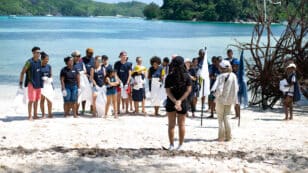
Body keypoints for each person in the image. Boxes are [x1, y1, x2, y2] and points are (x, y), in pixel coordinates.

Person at [165, 56, 192, 150]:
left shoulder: (169, 76)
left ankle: (171, 145)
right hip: (183, 101)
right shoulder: (187, 76)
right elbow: (188, 91)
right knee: (182, 124)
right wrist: (180, 101)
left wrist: (175, 101)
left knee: (171, 124)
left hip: (171, 101)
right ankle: (180, 145)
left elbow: (168, 91)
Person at [211, 60, 238, 142]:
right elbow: (236, 88)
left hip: (221, 100)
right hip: (230, 100)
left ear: (221, 68)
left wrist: (214, 96)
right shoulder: (233, 75)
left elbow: (219, 89)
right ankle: (228, 136)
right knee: (227, 117)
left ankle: (221, 137)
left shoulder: (221, 76)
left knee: (220, 119)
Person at [19, 46, 43, 120]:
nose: (39, 54)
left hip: (38, 84)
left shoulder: (40, 61)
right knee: (31, 100)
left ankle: (35, 115)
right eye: (37, 52)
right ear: (33, 53)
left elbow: (39, 72)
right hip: (31, 83)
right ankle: (30, 116)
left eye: (39, 52)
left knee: (36, 100)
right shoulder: (28, 62)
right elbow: (22, 72)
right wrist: (21, 82)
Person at [72, 50, 86, 115]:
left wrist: (81, 72)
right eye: (77, 56)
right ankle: (73, 110)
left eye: (79, 56)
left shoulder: (81, 63)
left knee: (79, 97)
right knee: (74, 97)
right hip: (73, 82)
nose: (78, 57)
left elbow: (85, 71)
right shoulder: (71, 63)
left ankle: (76, 111)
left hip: (81, 82)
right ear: (73, 56)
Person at [81, 48, 95, 114]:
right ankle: (83, 109)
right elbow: (80, 69)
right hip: (84, 79)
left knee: (92, 95)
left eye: (92, 53)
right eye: (90, 53)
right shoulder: (82, 60)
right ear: (86, 53)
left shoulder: (93, 59)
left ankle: (91, 109)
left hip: (92, 80)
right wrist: (86, 75)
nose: (91, 54)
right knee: (84, 95)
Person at [40, 52, 53, 118]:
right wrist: (41, 78)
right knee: (42, 100)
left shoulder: (49, 66)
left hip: (48, 84)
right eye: (46, 59)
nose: (47, 60)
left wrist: (50, 80)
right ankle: (43, 114)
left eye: (48, 59)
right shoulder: (39, 66)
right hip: (41, 85)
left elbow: (50, 75)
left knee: (49, 99)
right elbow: (36, 76)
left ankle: (50, 113)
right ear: (42, 59)